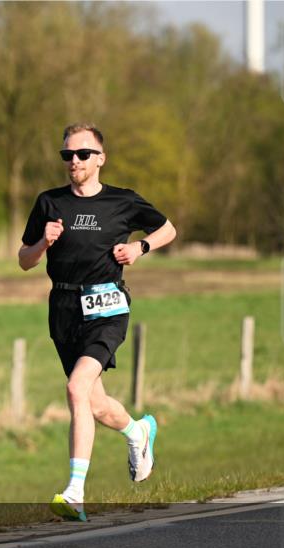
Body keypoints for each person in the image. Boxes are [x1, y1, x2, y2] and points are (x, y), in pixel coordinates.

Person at [18, 123, 177, 521]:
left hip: (107, 306)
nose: (74, 161)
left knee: (76, 388)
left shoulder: (122, 201)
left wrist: (140, 247)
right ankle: (137, 432)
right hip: (64, 307)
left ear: (100, 158)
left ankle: (75, 492)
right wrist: (43, 242)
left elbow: (167, 229)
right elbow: (24, 259)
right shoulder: (49, 203)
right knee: (94, 402)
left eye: (82, 154)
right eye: (67, 155)